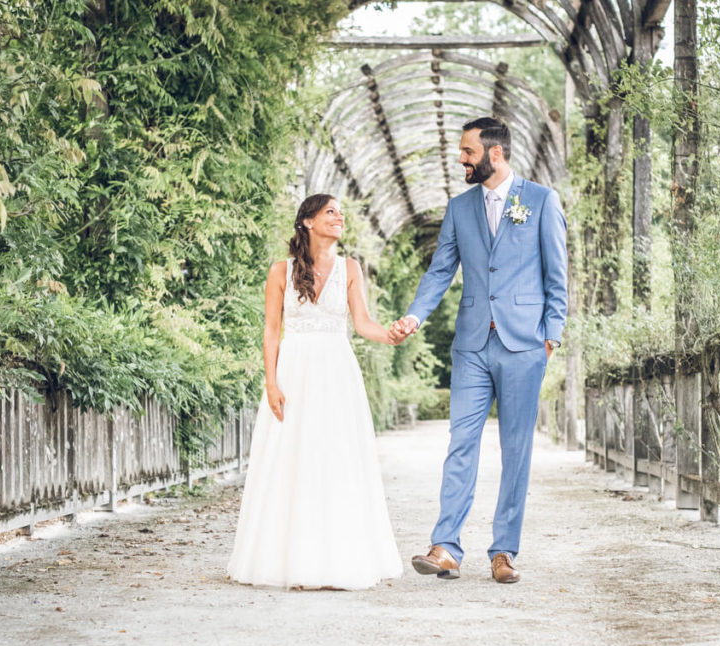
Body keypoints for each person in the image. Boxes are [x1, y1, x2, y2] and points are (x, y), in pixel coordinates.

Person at [390, 117, 568, 584]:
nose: (461, 160)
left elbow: (557, 277)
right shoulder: (458, 208)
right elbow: (440, 270)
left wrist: (551, 335)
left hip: (524, 343)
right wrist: (416, 315)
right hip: (470, 343)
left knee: (516, 451)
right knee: (460, 445)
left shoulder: (541, 201)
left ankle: (504, 551)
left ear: (496, 153)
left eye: (468, 152)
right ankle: (446, 546)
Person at [227, 194, 403, 590]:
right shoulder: (280, 272)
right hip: (294, 371)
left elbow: (363, 324)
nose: (339, 217)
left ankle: (340, 558)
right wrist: (271, 383)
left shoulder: (350, 268)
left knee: (337, 457)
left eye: (341, 213)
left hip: (337, 373)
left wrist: (389, 336)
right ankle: (288, 559)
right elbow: (272, 330)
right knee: (292, 458)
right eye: (330, 212)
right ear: (307, 221)